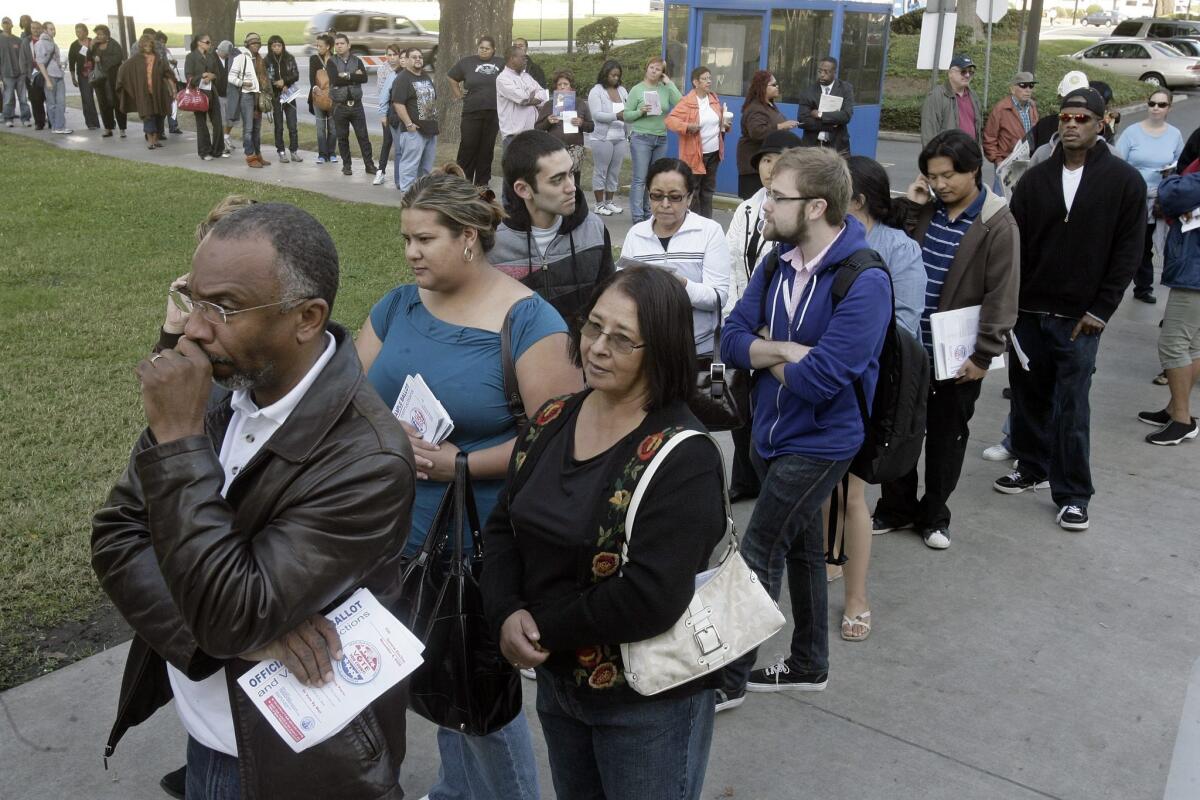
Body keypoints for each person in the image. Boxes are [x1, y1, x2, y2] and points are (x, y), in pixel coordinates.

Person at [92, 202, 417, 800]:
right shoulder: (219, 386)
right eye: (194, 299)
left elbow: (228, 610)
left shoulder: (367, 457)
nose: (191, 328)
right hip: (209, 733)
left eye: (223, 308)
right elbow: (116, 537)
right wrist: (240, 634)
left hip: (298, 763)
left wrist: (181, 444)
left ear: (307, 318)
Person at [356, 165, 581, 800]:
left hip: (476, 547)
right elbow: (349, 395)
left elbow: (558, 442)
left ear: (468, 238)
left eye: (424, 239)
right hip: (390, 538)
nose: (409, 253)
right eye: (405, 238)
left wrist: (459, 463)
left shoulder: (529, 323)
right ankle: (459, 792)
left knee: (476, 698)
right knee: (415, 687)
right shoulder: (398, 304)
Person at [480, 266, 725, 800]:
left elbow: (651, 596)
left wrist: (538, 626)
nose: (596, 348)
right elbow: (504, 525)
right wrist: (504, 610)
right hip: (559, 687)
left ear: (660, 352)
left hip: (647, 702)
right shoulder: (551, 420)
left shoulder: (683, 456)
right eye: (593, 327)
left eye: (621, 339)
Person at [717, 146, 892, 710]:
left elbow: (821, 382)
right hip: (768, 433)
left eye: (776, 196)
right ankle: (810, 663)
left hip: (820, 443)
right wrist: (784, 349)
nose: (764, 204)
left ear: (816, 206)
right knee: (804, 549)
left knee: (759, 550)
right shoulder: (776, 261)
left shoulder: (865, 281)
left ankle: (728, 680)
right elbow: (729, 339)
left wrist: (762, 354)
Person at [996, 87, 1145, 531]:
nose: (1072, 124)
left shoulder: (1123, 181)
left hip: (1081, 319)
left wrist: (1101, 309)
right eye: (1066, 117)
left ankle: (1074, 493)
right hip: (1029, 312)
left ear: (1101, 123)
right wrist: (1009, 306)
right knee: (1028, 398)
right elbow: (1014, 243)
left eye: (1082, 118)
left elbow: (1128, 251)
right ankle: (1032, 466)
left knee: (1071, 406)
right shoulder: (1036, 179)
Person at [871, 131, 1019, 551]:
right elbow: (893, 242)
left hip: (956, 357)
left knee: (945, 437)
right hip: (909, 349)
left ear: (974, 169)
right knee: (898, 431)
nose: (940, 184)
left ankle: (935, 515)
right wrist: (915, 205)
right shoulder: (928, 210)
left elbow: (1002, 294)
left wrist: (984, 354)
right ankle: (896, 508)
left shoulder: (995, 223)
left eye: (948, 175)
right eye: (933, 176)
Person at [823, 154, 926, 638]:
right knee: (828, 486)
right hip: (827, 381)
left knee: (855, 493)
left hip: (871, 386)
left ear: (856, 199)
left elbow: (905, 322)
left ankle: (856, 598)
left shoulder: (898, 248)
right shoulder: (826, 241)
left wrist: (845, 340)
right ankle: (830, 557)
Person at [724, 130, 802, 503]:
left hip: (776, 327)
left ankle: (769, 480)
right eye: (767, 160)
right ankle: (744, 478)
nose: (772, 168)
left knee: (770, 407)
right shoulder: (747, 209)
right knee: (738, 406)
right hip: (746, 318)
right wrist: (742, 313)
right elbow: (732, 263)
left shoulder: (797, 217)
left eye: (781, 160)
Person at [490, 130, 615, 327]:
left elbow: (609, 303)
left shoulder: (593, 230)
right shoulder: (493, 243)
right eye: (557, 180)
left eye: (571, 174)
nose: (571, 187)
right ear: (523, 189)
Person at [620, 158, 731, 358]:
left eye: (674, 197)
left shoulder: (708, 232)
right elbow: (622, 290)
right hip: (648, 351)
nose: (664, 204)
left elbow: (718, 298)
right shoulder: (636, 234)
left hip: (697, 350)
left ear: (689, 198)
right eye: (656, 196)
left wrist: (680, 285)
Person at [1142, 171, 1200, 444]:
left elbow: (1172, 194)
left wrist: (1170, 177)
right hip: (1194, 274)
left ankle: (1182, 419)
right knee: (1193, 345)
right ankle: (1174, 409)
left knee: (1173, 344)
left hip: (1194, 276)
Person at [1117, 88, 1184, 305]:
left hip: (1160, 199)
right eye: (1152, 103)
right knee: (1134, 243)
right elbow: (1117, 162)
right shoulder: (1132, 132)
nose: (1156, 108)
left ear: (1169, 108)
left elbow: (1181, 164)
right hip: (1133, 197)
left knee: (1151, 244)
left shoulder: (1174, 134)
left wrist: (1171, 172)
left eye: (1162, 105)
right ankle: (1124, 283)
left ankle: (1144, 286)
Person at [666, 66, 732, 219]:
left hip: (714, 153)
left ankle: (707, 223)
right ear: (695, 82)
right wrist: (687, 126)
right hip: (695, 155)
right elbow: (670, 121)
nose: (709, 81)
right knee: (694, 191)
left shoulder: (714, 99)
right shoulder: (687, 102)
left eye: (710, 78)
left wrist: (725, 125)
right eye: (705, 79)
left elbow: (718, 123)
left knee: (708, 191)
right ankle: (694, 222)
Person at [624, 57, 683, 223]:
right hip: (641, 137)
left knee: (654, 177)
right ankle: (637, 216)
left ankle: (649, 212)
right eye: (652, 67)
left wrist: (669, 83)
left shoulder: (664, 89)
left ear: (662, 73)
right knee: (640, 178)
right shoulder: (637, 89)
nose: (654, 71)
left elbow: (680, 103)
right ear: (646, 68)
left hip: (661, 138)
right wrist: (640, 111)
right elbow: (626, 115)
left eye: (658, 69)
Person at [448, 35, 505, 186]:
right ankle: (462, 183)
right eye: (481, 48)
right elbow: (452, 77)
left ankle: (482, 184)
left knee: (486, 149)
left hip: (493, 113)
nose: (484, 51)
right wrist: (459, 95)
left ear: (493, 50)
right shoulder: (467, 62)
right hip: (472, 112)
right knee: (468, 146)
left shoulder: (501, 63)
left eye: (487, 48)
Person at [737, 70, 800, 200]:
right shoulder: (756, 108)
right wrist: (782, 126)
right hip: (753, 167)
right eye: (774, 84)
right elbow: (757, 132)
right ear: (762, 87)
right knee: (755, 203)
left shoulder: (769, 105)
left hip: (764, 164)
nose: (777, 87)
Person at [535, 69, 594, 189]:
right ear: (555, 88)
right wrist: (548, 121)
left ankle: (576, 205)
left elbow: (591, 126)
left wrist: (581, 123)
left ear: (571, 87)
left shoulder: (580, 104)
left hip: (575, 149)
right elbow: (537, 128)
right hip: (555, 149)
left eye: (565, 84)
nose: (562, 87)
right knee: (556, 179)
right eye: (559, 84)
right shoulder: (549, 105)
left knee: (574, 181)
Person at [115, 33, 176, 149]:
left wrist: (173, 89)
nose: (147, 47)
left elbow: (167, 73)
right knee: (147, 115)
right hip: (143, 92)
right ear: (141, 46)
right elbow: (123, 69)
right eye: (145, 45)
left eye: (150, 44)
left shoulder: (158, 58)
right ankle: (151, 141)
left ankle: (157, 139)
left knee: (159, 115)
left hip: (158, 91)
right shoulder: (136, 59)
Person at [327, 33, 375, 177]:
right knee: (342, 137)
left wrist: (346, 75)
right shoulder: (331, 62)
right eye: (337, 44)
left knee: (363, 136)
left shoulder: (357, 60)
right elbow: (335, 80)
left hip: (356, 105)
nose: (339, 46)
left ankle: (369, 165)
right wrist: (354, 76)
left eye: (342, 43)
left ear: (349, 45)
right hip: (339, 106)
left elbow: (364, 78)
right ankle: (346, 165)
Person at [391, 48, 438, 192]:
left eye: (420, 57)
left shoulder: (425, 75)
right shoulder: (402, 78)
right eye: (414, 57)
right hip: (414, 131)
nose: (418, 59)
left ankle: (421, 196)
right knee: (410, 166)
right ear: (407, 60)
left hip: (430, 129)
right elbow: (398, 103)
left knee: (426, 168)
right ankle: (407, 196)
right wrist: (408, 124)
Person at [586, 59, 630, 217]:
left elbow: (629, 109)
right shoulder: (596, 91)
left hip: (620, 136)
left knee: (614, 171)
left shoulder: (623, 91)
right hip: (602, 137)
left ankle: (609, 202)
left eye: (618, 75)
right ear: (605, 74)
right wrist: (616, 116)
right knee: (601, 171)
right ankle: (599, 204)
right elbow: (597, 115)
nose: (616, 78)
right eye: (613, 75)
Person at [795, 56, 854, 156]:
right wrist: (832, 124)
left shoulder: (845, 89)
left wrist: (820, 115)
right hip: (812, 146)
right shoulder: (808, 91)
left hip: (837, 145)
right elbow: (802, 120)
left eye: (826, 72)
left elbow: (846, 116)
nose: (822, 75)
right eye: (820, 71)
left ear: (834, 72)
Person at [920, 54, 980, 147]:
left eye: (970, 72)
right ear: (951, 73)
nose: (968, 75)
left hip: (969, 156)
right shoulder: (936, 96)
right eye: (963, 72)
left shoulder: (973, 96)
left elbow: (977, 131)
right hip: (947, 158)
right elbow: (929, 133)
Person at [496, 44, 548, 151]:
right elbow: (523, 98)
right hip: (514, 136)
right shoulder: (503, 79)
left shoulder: (527, 77)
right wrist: (530, 98)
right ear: (512, 59)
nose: (526, 60)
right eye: (523, 58)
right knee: (516, 167)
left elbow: (544, 95)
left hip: (533, 133)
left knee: (532, 167)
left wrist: (532, 99)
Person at [184, 33, 227, 161]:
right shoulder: (191, 57)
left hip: (211, 92)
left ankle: (218, 149)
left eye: (210, 42)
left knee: (217, 122)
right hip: (198, 93)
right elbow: (189, 76)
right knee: (201, 123)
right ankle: (205, 151)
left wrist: (211, 76)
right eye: (207, 42)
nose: (209, 44)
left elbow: (217, 73)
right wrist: (202, 76)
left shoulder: (211, 57)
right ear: (199, 43)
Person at [983, 71, 1038, 169]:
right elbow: (989, 138)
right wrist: (998, 161)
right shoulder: (1001, 108)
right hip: (1006, 163)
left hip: (1028, 162)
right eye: (1023, 85)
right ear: (1012, 89)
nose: (1028, 89)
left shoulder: (1032, 106)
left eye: (1031, 86)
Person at [229, 32, 269, 167]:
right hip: (247, 96)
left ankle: (258, 155)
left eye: (258, 43)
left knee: (257, 129)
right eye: (253, 43)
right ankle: (250, 157)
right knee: (249, 128)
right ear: (247, 44)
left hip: (258, 96)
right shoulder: (241, 57)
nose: (256, 45)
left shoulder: (259, 59)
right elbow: (231, 77)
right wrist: (243, 83)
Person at [1029, 70, 1087, 152]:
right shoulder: (1043, 126)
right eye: (1069, 98)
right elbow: (1024, 155)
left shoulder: (1096, 127)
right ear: (1060, 99)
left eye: (1078, 98)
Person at [266, 35, 302, 163]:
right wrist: (276, 83)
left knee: (292, 125)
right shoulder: (267, 60)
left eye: (279, 45)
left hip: (289, 95)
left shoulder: (289, 58)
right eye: (274, 46)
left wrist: (285, 82)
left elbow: (295, 75)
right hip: (276, 97)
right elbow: (266, 78)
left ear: (283, 46)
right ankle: (281, 151)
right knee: (279, 126)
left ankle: (294, 151)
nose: (277, 48)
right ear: (270, 47)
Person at [374, 45, 405, 185]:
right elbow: (382, 93)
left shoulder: (405, 69)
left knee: (403, 146)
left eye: (394, 55)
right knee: (387, 141)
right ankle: (381, 171)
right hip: (388, 111)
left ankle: (404, 175)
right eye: (389, 54)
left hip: (403, 114)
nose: (391, 57)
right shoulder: (384, 70)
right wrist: (383, 114)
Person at [89, 24, 125, 137]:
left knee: (117, 103)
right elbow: (88, 58)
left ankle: (122, 129)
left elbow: (118, 57)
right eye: (97, 34)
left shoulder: (114, 45)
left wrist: (102, 60)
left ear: (107, 34)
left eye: (101, 34)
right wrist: (91, 46)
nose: (98, 36)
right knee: (103, 104)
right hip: (100, 80)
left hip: (113, 79)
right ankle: (108, 128)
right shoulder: (95, 45)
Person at [33, 21, 69, 134]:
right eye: (50, 29)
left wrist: (62, 65)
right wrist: (47, 80)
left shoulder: (54, 44)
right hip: (50, 76)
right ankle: (56, 126)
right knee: (52, 103)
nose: (53, 31)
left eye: (54, 29)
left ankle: (60, 126)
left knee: (61, 102)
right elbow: (40, 63)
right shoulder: (40, 43)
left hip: (58, 75)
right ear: (45, 30)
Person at [307, 33, 335, 164]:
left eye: (321, 45)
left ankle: (332, 153)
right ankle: (322, 154)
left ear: (328, 46)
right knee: (320, 127)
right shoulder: (314, 59)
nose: (318, 47)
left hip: (332, 98)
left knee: (333, 127)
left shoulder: (335, 59)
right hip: (317, 97)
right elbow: (312, 78)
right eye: (317, 45)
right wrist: (315, 88)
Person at [67, 23, 100, 129]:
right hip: (83, 75)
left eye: (80, 31)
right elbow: (72, 62)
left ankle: (105, 122)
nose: (78, 33)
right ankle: (91, 122)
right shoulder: (74, 45)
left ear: (86, 32)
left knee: (101, 97)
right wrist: (73, 78)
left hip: (95, 73)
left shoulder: (93, 42)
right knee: (87, 99)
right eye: (76, 31)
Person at [1, 16, 32, 126]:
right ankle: (8, 119)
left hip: (20, 74)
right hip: (6, 74)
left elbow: (24, 57)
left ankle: (26, 119)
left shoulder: (18, 40)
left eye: (7, 23)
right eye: (4, 23)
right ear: (1, 25)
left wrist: (26, 72)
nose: (6, 25)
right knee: (8, 98)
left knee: (23, 98)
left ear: (11, 25)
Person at [215, 40, 237, 154]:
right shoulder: (213, 59)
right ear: (221, 50)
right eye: (227, 53)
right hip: (218, 95)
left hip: (230, 94)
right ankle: (223, 143)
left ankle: (226, 137)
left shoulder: (230, 59)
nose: (228, 55)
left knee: (231, 120)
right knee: (222, 120)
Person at [27, 21, 46, 130]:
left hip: (46, 72)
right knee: (35, 100)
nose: (35, 30)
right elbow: (22, 58)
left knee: (49, 98)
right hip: (33, 74)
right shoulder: (26, 42)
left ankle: (52, 121)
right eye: (33, 28)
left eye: (37, 28)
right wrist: (27, 72)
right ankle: (39, 122)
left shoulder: (46, 40)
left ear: (41, 29)